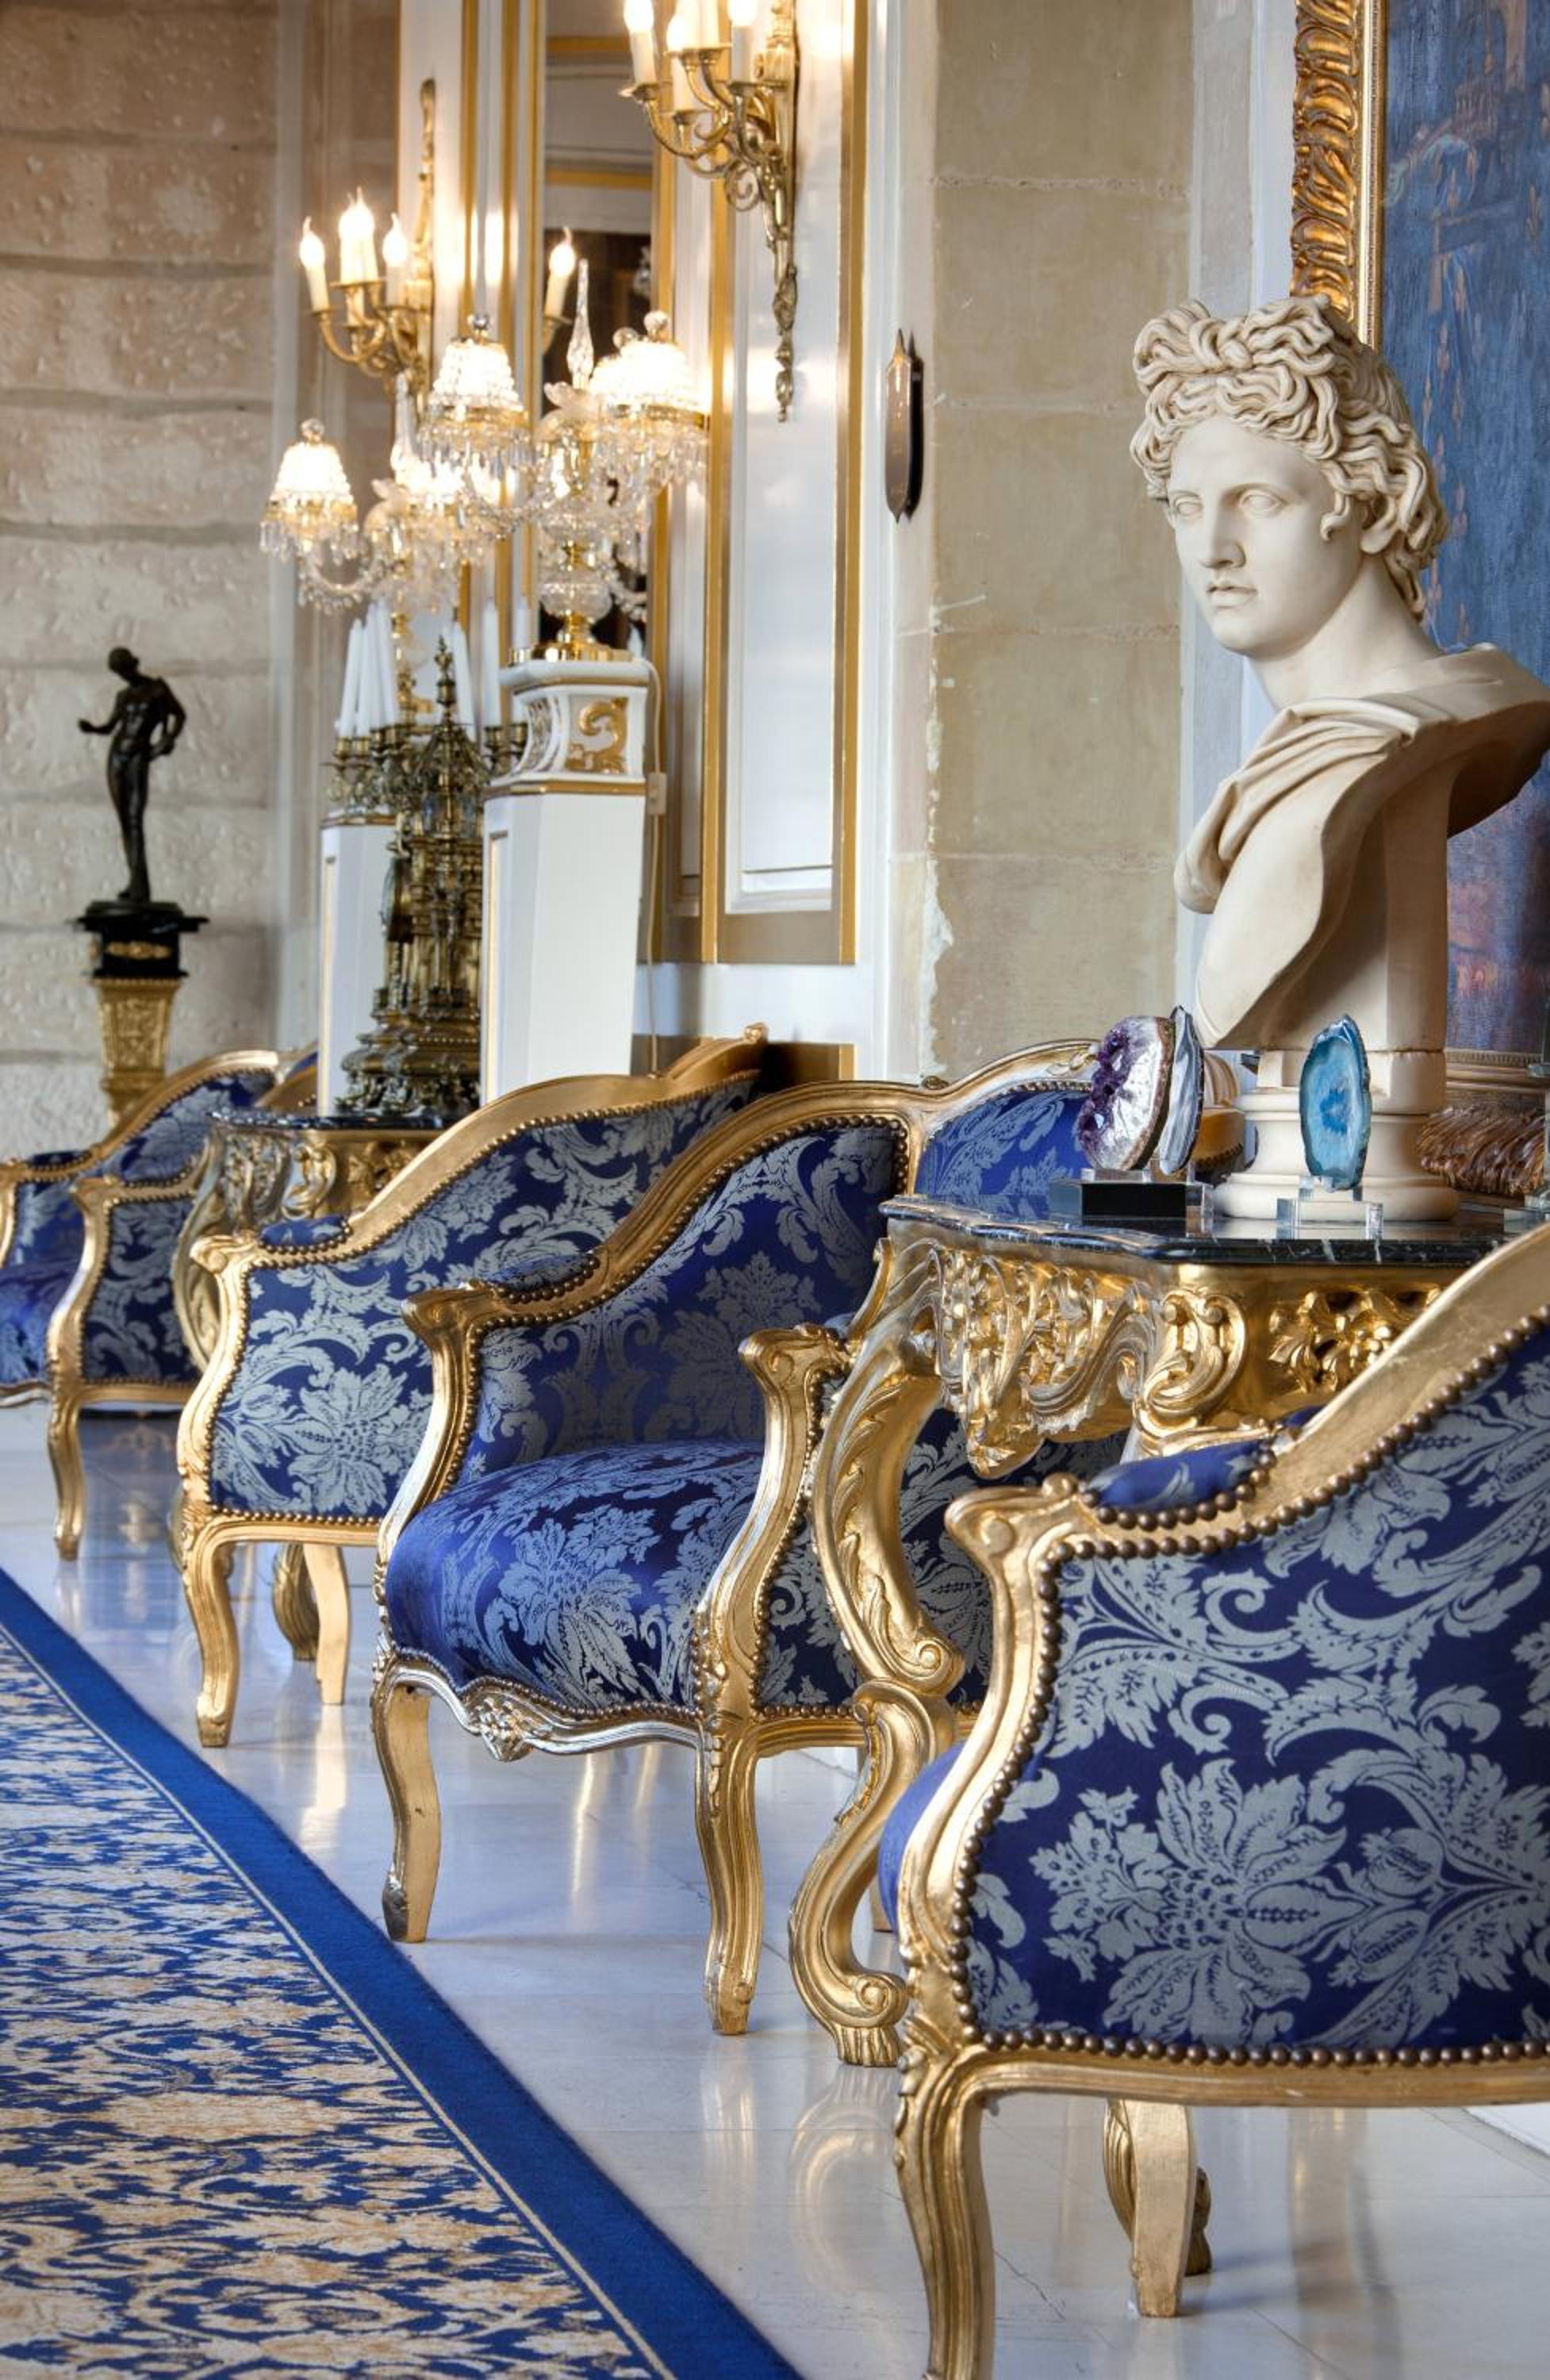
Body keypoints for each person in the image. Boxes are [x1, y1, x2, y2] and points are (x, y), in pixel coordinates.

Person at [1130, 296, 1550, 1215]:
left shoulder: (1397, 738)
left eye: (1258, 501)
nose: (1212, 551)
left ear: (1365, 500)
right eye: (1187, 507)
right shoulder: (1304, 760)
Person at [78, 647, 186, 908]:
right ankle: (135, 882)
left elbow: (179, 715)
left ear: (133, 664)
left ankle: (140, 886)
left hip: (139, 755)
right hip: (117, 756)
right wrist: (92, 728)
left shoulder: (157, 690)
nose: (123, 676)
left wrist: (167, 740)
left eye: (124, 670)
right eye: (119, 673)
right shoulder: (123, 696)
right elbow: (110, 727)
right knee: (125, 821)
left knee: (135, 819)